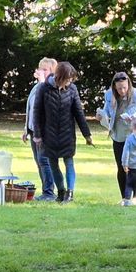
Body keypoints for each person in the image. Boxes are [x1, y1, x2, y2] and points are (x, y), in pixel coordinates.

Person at [33, 61, 93, 203]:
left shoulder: (72, 89)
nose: (70, 82)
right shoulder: (43, 88)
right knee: (53, 165)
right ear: (60, 77)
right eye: (68, 79)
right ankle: (61, 192)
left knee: (69, 163)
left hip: (67, 134)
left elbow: (78, 113)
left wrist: (87, 134)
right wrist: (37, 135)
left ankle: (70, 193)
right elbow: (37, 113)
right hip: (49, 135)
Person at [97, 71, 136, 200]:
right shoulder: (109, 95)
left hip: (134, 135)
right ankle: (125, 198)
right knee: (121, 166)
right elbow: (106, 111)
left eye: (124, 87)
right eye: (119, 88)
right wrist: (101, 115)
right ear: (114, 87)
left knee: (134, 166)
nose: (122, 91)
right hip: (118, 135)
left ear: (129, 85)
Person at [22, 57, 58, 201]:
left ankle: (49, 192)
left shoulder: (51, 87)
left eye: (45, 69)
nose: (41, 72)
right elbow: (31, 109)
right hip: (33, 130)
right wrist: (26, 129)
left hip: (45, 131)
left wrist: (43, 82)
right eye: (40, 68)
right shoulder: (36, 87)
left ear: (52, 72)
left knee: (44, 161)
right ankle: (46, 190)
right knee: (39, 161)